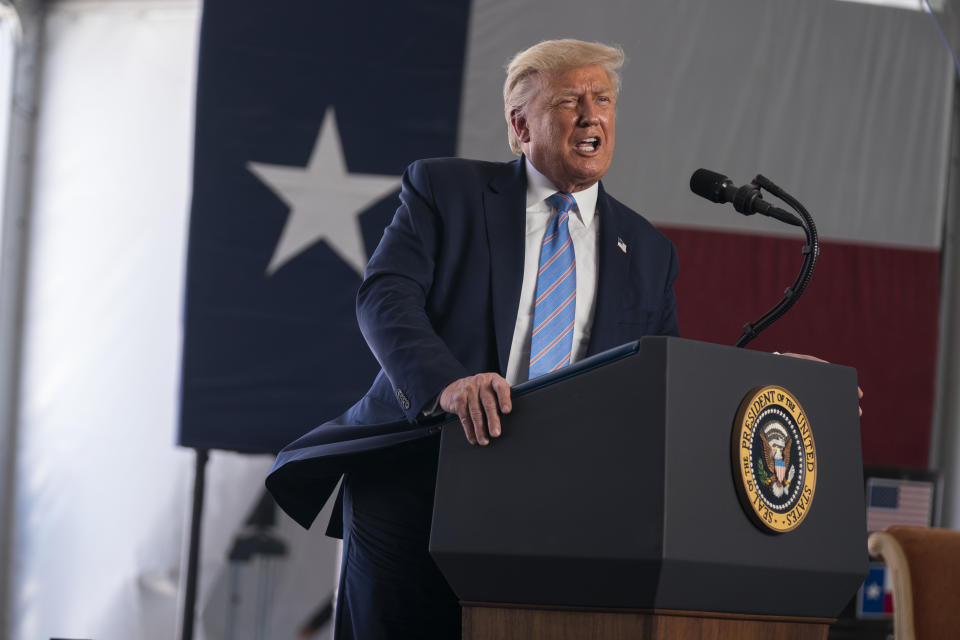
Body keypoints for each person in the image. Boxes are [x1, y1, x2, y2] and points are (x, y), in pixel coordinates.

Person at [266, 38, 679, 639]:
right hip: (419, 480)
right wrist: (449, 383)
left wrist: (767, 382)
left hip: (559, 510)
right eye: (569, 101)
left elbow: (658, 378)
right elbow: (384, 296)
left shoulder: (648, 251)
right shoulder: (445, 191)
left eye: (604, 99)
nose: (592, 115)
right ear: (519, 127)